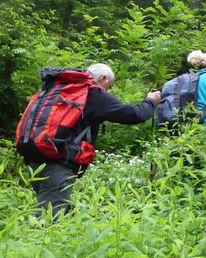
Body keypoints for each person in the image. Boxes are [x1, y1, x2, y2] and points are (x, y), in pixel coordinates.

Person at [17, 64, 161, 218]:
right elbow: (134, 115)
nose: (108, 91)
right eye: (109, 86)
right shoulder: (92, 93)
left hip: (36, 157)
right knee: (48, 220)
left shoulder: (58, 89)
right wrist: (150, 102)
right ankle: (39, 240)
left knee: (56, 208)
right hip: (58, 162)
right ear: (103, 78)